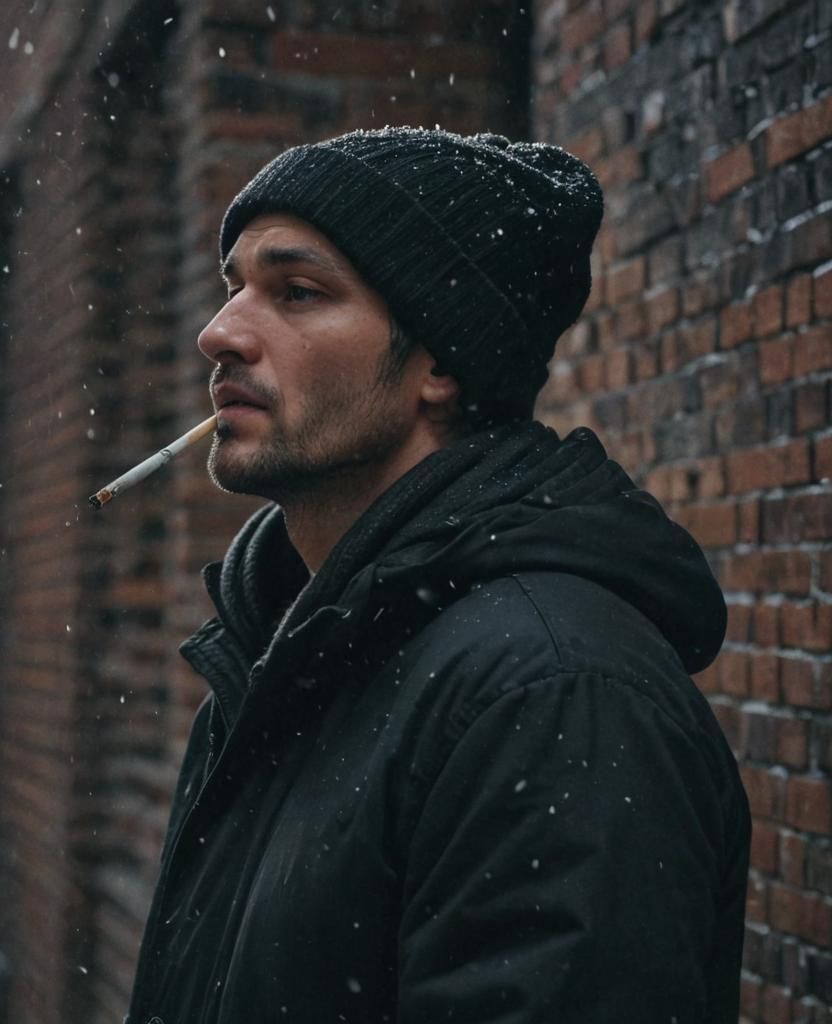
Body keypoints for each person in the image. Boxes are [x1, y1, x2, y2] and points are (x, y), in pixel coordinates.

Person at [125, 127, 750, 1024]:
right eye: (237, 289)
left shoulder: (555, 695)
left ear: (444, 363)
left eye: (297, 293)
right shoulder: (281, 655)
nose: (218, 333)